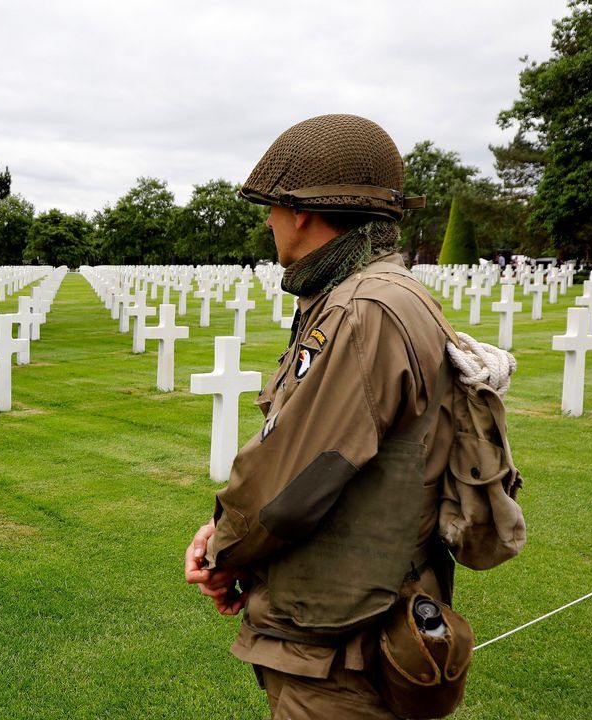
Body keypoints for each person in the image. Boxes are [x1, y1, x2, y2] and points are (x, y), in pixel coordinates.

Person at [183, 114, 457, 719]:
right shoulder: (371, 295)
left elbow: (293, 481)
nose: (268, 222)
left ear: (301, 211)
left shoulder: (364, 309)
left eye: (272, 208)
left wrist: (219, 553)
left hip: (343, 651)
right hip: (349, 623)